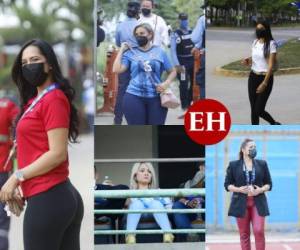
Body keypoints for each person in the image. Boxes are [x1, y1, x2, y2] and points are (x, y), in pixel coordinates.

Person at [0, 39, 84, 250]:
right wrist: (22, 183)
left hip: (50, 197)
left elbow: (57, 154)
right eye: (25, 62)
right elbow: (35, 150)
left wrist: (16, 177)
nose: (29, 66)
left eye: (35, 60)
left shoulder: (53, 98)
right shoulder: (34, 100)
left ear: (50, 64)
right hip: (53, 196)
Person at [113, 23, 177, 125]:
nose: (139, 36)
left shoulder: (160, 51)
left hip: (156, 97)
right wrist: (121, 50)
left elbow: (172, 71)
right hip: (133, 96)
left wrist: (166, 83)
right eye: (137, 34)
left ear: (150, 34)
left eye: (142, 33)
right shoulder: (130, 53)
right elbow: (116, 70)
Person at [224, 138, 272, 250]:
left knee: (258, 230)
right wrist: (239, 189)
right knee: (244, 234)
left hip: (258, 202)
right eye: (251, 147)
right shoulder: (233, 165)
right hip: (240, 203)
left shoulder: (262, 164)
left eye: (255, 147)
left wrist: (260, 190)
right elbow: (227, 185)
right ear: (243, 150)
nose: (253, 149)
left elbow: (269, 184)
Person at [242, 21, 281, 125]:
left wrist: (264, 83)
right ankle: (255, 132)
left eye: (261, 29)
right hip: (253, 77)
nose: (258, 31)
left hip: (265, 78)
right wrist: (248, 61)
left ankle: (274, 124)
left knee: (258, 109)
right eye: (257, 29)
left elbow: (270, 65)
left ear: (266, 30)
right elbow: (257, 59)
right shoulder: (255, 42)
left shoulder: (271, 44)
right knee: (253, 109)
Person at [126, 162, 174, 244]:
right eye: (142, 171)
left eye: (149, 171)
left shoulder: (159, 191)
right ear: (135, 176)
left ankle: (168, 234)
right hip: (139, 214)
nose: (146, 174)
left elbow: (169, 208)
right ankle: (130, 236)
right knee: (137, 204)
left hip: (156, 213)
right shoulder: (130, 193)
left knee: (156, 204)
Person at [114, 1, 140, 125]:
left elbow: (118, 43)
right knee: (138, 89)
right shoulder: (141, 25)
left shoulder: (120, 26)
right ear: (138, 11)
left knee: (122, 90)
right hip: (138, 60)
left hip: (124, 59)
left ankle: (117, 119)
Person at [0, 94, 19, 250]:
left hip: (4, 168)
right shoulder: (6, 105)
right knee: (3, 212)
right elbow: (20, 123)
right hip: (3, 168)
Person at [172, 163, 205, 242]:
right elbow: (177, 199)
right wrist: (187, 202)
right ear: (200, 167)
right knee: (177, 206)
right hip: (191, 212)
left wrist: (201, 200)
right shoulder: (185, 185)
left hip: (205, 211)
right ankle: (190, 234)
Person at [170, 13, 195, 118]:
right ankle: (184, 107)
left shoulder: (192, 31)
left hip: (193, 61)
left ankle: (190, 104)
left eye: (186, 19)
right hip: (182, 63)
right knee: (183, 84)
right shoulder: (175, 34)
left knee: (194, 84)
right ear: (179, 20)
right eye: (182, 20)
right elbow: (172, 50)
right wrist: (177, 64)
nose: (184, 21)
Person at [191, 7, 206, 99]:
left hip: (205, 54)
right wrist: (197, 46)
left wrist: (197, 45)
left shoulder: (202, 19)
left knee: (203, 83)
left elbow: (195, 38)